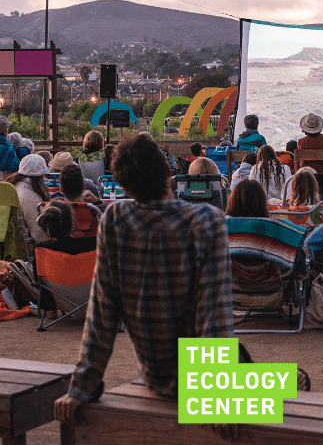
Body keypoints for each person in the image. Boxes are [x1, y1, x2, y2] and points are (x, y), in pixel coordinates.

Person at [53, 134, 236, 425]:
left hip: (158, 379)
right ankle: (285, 384)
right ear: (168, 172)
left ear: (122, 185)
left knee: (267, 372)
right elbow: (213, 317)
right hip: (200, 387)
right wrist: (218, 399)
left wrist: (81, 387)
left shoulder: (115, 219)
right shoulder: (207, 220)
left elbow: (102, 313)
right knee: (293, 386)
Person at [33, 201, 98, 315]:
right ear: (73, 222)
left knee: (42, 277)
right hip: (96, 300)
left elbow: (39, 281)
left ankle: (50, 312)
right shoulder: (95, 243)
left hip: (60, 300)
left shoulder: (41, 249)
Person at [7, 154, 52, 244]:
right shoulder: (29, 195)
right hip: (29, 246)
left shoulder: (15, 186)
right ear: (41, 175)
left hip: (15, 242)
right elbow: (38, 233)